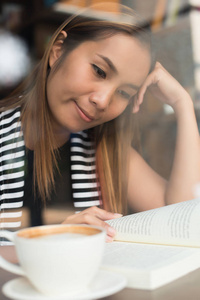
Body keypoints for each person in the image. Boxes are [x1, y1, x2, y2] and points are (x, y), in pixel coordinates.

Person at [0, 3, 200, 244]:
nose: (103, 101)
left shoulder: (108, 152)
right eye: (99, 71)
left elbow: (183, 220)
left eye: (125, 93)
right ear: (58, 50)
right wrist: (52, 241)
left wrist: (182, 104)